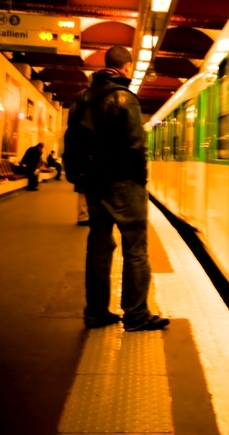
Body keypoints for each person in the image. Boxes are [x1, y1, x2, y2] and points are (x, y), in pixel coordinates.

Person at [67, 45, 169, 332]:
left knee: (99, 247)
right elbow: (136, 145)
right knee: (135, 249)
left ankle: (96, 313)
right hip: (123, 184)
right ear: (127, 67)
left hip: (93, 184)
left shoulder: (81, 100)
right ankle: (136, 315)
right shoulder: (126, 98)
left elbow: (71, 141)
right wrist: (141, 179)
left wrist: (80, 177)